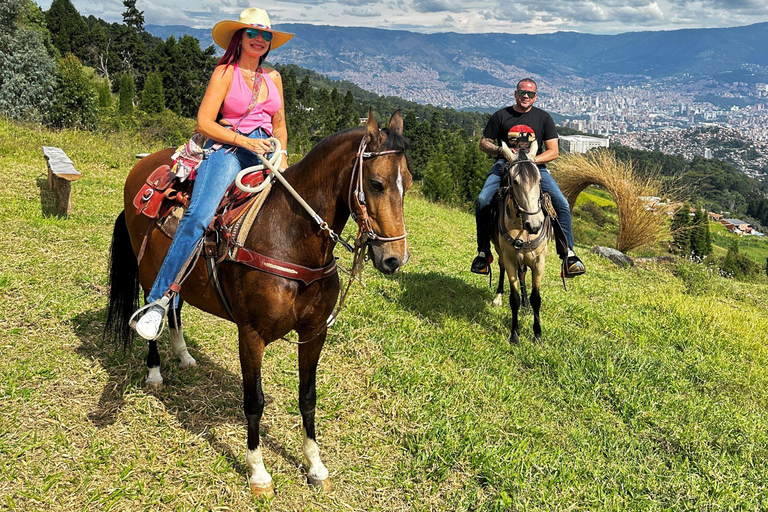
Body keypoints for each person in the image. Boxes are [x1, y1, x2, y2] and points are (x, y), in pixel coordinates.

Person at [133, 8, 293, 340]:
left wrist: (284, 157)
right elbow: (204, 122)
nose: (260, 40)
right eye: (252, 33)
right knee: (199, 215)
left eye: (265, 35)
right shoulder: (225, 73)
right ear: (239, 37)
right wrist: (242, 140)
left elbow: (279, 125)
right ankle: (159, 301)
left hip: (268, 153)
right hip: (229, 151)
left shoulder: (274, 78)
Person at [471, 77, 586, 278]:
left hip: (535, 168)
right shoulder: (501, 116)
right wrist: (502, 151)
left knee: (561, 203)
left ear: (535, 97)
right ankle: (483, 252)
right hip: (505, 165)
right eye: (522, 92)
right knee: (483, 200)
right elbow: (483, 143)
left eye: (530, 93)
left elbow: (553, 151)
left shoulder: (544, 118)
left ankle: (568, 254)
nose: (526, 96)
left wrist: (532, 161)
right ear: (515, 94)